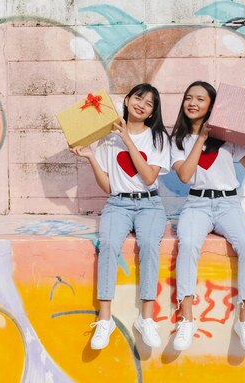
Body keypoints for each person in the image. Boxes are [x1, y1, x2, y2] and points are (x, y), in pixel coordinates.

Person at [170, 81, 245, 352]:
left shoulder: (229, 139)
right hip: (196, 205)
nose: (192, 103)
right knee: (188, 244)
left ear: (212, 105)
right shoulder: (177, 140)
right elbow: (185, 175)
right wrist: (200, 139)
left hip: (228, 204)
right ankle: (187, 318)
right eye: (188, 98)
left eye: (200, 99)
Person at [69, 83, 171, 350]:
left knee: (149, 244)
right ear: (126, 100)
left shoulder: (158, 138)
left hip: (150, 204)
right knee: (109, 245)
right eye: (138, 98)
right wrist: (91, 156)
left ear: (151, 113)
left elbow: (149, 177)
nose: (142, 104)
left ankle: (146, 318)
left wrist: (127, 140)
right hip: (118, 204)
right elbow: (109, 186)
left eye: (149, 103)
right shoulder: (108, 137)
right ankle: (105, 319)